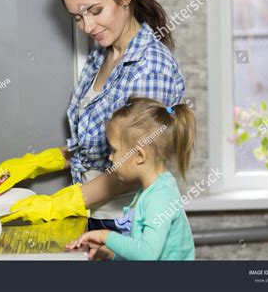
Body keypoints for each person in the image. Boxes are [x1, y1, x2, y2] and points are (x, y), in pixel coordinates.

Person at [0, 0, 186, 232]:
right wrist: (35, 164)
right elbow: (99, 146)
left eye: (95, 11)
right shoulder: (103, 54)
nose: (87, 26)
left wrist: (56, 204)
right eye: (77, 17)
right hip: (96, 216)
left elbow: (134, 165)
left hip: (131, 224)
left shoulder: (151, 68)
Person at [66, 97, 196, 260]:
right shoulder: (150, 190)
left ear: (139, 156)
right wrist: (112, 254)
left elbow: (147, 254)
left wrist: (104, 236)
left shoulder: (160, 197)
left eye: (114, 150)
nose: (111, 158)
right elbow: (140, 249)